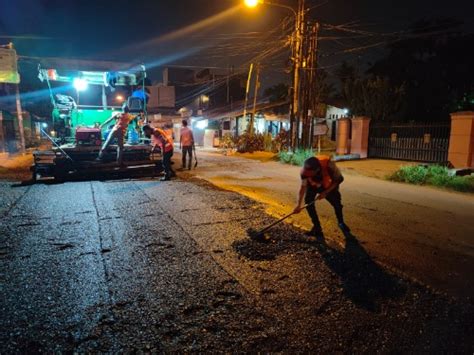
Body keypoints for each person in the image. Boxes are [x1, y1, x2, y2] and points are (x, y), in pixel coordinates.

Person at [293, 156, 351, 238]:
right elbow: (303, 187)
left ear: (317, 170)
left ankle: (341, 222)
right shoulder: (304, 172)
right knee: (309, 204)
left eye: (310, 174)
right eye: (307, 173)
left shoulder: (329, 165)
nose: (308, 175)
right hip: (312, 186)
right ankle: (317, 228)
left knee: (337, 204)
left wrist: (325, 192)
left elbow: (338, 180)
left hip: (328, 185)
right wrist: (298, 205)